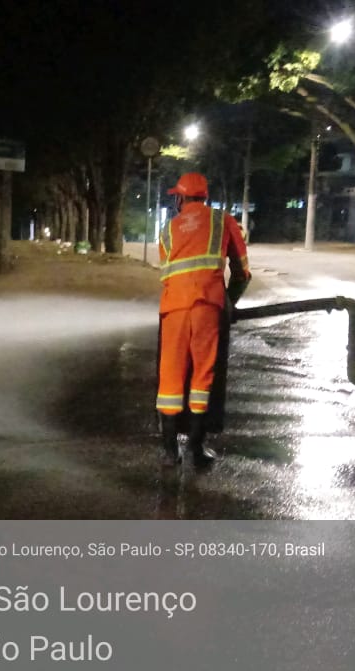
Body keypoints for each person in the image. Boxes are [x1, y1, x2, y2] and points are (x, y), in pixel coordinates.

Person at [156, 172, 250, 468]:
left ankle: (170, 451)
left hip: (173, 308)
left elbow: (167, 272)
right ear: (204, 197)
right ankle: (196, 447)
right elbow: (242, 271)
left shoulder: (168, 230)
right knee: (202, 376)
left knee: (170, 376)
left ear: (181, 198)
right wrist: (230, 301)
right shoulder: (223, 221)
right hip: (208, 306)